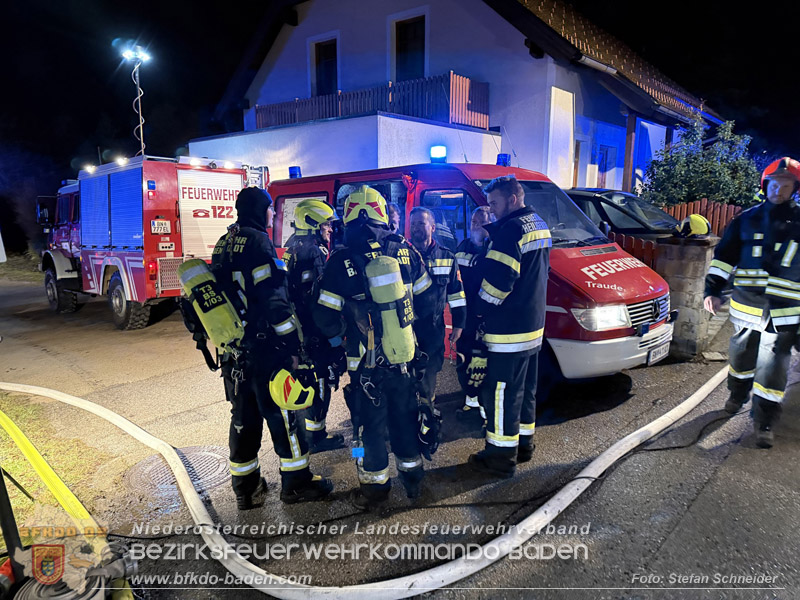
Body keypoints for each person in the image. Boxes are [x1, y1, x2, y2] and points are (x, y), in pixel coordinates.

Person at [313, 185, 435, 508]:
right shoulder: (405, 248)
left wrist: (340, 340)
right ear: (382, 213)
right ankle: (413, 481)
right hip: (404, 359)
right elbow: (428, 301)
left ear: (349, 215)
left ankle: (374, 489)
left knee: (368, 429)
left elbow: (324, 317)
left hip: (364, 366)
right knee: (405, 420)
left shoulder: (340, 261)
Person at [211, 187, 333, 508]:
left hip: (234, 351)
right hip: (266, 348)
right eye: (270, 210)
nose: (273, 215)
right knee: (285, 413)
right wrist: (294, 346)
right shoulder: (259, 243)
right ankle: (295, 483)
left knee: (243, 417)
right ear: (259, 210)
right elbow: (275, 301)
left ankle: (246, 488)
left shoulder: (224, 243)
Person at [704, 157, 800, 448]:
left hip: (784, 311)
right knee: (741, 356)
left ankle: (765, 419)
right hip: (747, 304)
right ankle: (737, 394)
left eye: (786, 185)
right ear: (765, 184)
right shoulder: (746, 218)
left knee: (773, 366)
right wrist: (712, 290)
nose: (779, 190)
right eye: (774, 183)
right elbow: (723, 257)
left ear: (794, 188)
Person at [468, 175, 551, 478]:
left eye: (494, 203)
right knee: (526, 390)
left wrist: (479, 310)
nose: (490, 210)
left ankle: (501, 457)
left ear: (512, 199)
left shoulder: (511, 230)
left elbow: (500, 282)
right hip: (533, 326)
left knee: (502, 393)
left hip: (508, 331)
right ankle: (524, 445)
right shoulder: (538, 223)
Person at [284, 198, 346, 453]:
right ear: (312, 225)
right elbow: (317, 299)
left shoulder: (293, 247)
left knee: (309, 379)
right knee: (320, 381)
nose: (330, 229)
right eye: (326, 225)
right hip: (313, 331)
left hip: (298, 328)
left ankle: (311, 433)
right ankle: (316, 435)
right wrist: (333, 336)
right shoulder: (314, 252)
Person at [408, 206, 467, 405]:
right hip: (405, 328)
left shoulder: (447, 257)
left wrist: (459, 324)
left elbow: (457, 294)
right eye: (413, 224)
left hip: (433, 328)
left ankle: (427, 412)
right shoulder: (401, 255)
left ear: (432, 227)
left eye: (421, 223)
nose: (416, 228)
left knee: (430, 372)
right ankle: (408, 416)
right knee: (405, 374)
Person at [454, 206, 493, 419]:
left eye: (480, 222)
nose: (474, 226)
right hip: (466, 316)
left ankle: (486, 408)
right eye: (473, 222)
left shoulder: (494, 249)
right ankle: (469, 401)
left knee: (483, 364)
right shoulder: (462, 247)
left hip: (486, 317)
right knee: (464, 359)